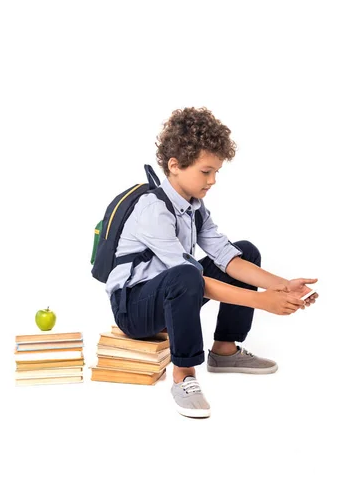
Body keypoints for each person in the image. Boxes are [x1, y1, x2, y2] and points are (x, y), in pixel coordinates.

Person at [106, 107, 318, 418]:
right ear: (175, 166)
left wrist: (282, 285)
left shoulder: (194, 207)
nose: (213, 180)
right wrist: (262, 301)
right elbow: (194, 279)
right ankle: (184, 375)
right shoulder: (153, 209)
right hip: (134, 308)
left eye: (217, 172)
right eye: (206, 172)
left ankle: (224, 351)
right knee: (186, 275)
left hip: (172, 294)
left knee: (244, 251)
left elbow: (226, 257)